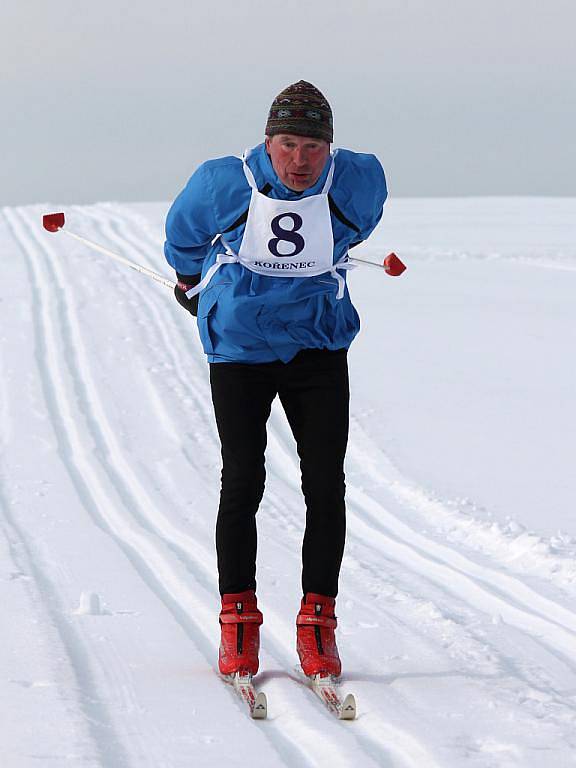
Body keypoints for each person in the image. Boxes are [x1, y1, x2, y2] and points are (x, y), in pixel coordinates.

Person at [164, 80, 387, 680]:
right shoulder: (224, 182)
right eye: (287, 144)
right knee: (243, 477)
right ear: (267, 142)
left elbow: (355, 229)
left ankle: (318, 621)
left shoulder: (357, 183)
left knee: (325, 481)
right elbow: (183, 236)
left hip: (317, 345)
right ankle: (238, 620)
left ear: (329, 150)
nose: (298, 160)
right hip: (240, 348)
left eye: (312, 147)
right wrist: (190, 282)